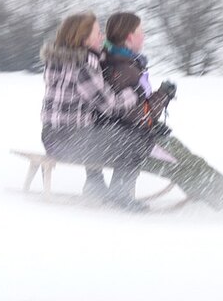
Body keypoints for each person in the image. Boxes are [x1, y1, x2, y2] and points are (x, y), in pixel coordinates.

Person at [95, 12, 223, 210]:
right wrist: (163, 95)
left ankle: (218, 188)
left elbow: (129, 111)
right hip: (131, 143)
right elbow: (137, 115)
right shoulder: (123, 69)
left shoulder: (120, 62)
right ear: (130, 37)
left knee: (183, 156)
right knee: (183, 163)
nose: (144, 36)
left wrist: (154, 117)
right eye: (141, 31)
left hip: (131, 136)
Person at [40, 12, 154, 212]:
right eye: (98, 33)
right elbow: (110, 105)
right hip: (72, 140)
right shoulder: (83, 66)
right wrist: (135, 91)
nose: (102, 36)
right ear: (84, 39)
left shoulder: (59, 60)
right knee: (136, 140)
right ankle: (121, 194)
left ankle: (95, 184)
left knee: (100, 128)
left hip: (51, 137)